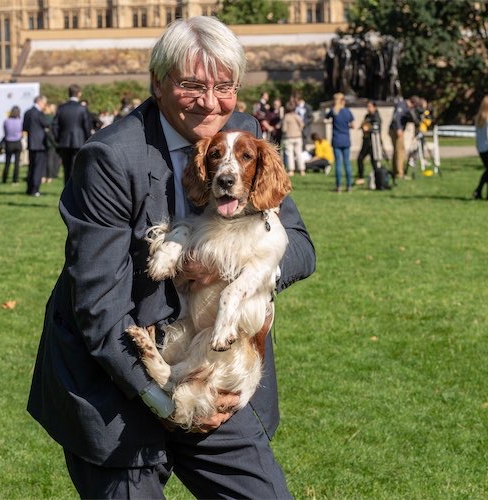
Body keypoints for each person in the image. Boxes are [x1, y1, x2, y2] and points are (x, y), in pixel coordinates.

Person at [27, 16, 316, 498]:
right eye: (191, 85)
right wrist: (160, 399)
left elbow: (301, 247)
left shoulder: (241, 135)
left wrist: (245, 269)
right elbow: (99, 306)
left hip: (210, 373)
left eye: (224, 86)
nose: (210, 101)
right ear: (157, 82)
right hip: (116, 383)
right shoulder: (111, 157)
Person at [52, 84, 93, 184]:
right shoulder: (82, 109)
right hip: (79, 142)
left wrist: (58, 139)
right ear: (79, 94)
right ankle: (75, 190)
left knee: (66, 169)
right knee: (77, 168)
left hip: (64, 142)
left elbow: (55, 126)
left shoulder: (61, 108)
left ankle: (67, 189)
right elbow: (87, 127)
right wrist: (88, 140)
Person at [327, 92, 355, 192]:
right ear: (343, 101)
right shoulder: (348, 112)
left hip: (336, 139)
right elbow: (353, 125)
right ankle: (349, 186)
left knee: (338, 163)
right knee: (347, 163)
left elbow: (326, 118)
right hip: (346, 139)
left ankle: (338, 186)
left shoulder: (333, 111)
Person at [22, 95, 49, 197]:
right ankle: (35, 189)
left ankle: (29, 188)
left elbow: (25, 127)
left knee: (31, 167)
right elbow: (46, 124)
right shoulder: (39, 113)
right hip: (40, 144)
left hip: (31, 143)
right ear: (40, 102)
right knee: (38, 168)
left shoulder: (27, 112)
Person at [389, 95, 418, 180]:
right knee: (400, 152)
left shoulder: (406, 107)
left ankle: (395, 171)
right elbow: (396, 117)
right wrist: (398, 129)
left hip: (397, 130)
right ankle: (399, 173)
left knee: (397, 151)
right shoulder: (402, 105)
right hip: (396, 131)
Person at [356, 100, 382, 185]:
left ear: (374, 107)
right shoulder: (367, 116)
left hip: (373, 142)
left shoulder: (376, 116)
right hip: (366, 141)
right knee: (360, 159)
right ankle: (361, 176)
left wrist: (369, 129)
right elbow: (364, 124)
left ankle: (377, 178)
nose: (368, 108)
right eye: (367, 106)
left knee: (374, 161)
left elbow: (376, 128)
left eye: (370, 106)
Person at [281, 102, 306, 176]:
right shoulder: (297, 116)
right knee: (299, 153)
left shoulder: (286, 117)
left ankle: (291, 170)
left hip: (289, 137)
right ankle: (302, 170)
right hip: (298, 137)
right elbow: (302, 125)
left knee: (289, 154)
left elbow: (284, 129)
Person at [1, 105, 23, 184]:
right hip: (17, 142)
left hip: (9, 142)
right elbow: (22, 133)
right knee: (16, 163)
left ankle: (4, 178)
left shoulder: (6, 121)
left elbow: (5, 132)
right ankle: (15, 180)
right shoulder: (20, 121)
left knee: (7, 162)